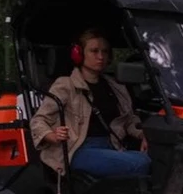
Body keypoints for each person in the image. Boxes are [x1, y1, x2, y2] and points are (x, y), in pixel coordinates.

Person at [30, 29, 151, 180]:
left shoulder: (116, 87)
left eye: (105, 52)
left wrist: (144, 135)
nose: (100, 56)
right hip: (79, 149)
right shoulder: (66, 85)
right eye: (94, 51)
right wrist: (52, 136)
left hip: (113, 145)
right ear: (78, 54)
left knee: (159, 158)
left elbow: (128, 120)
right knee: (140, 163)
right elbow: (38, 121)